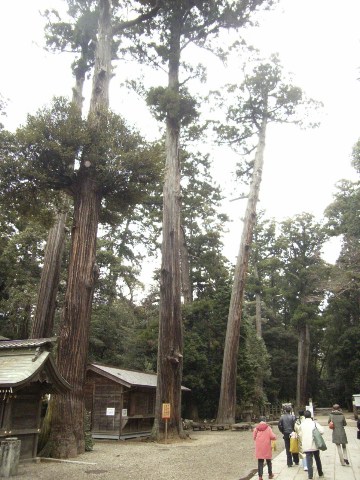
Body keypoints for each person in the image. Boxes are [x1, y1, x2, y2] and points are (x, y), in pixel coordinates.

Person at [298, 410, 324, 479]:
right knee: (317, 459)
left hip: (306, 445)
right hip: (315, 444)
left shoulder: (302, 424)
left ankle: (310, 475)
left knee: (308, 460)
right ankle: (320, 473)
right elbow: (322, 431)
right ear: (310, 415)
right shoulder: (314, 423)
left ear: (304, 416)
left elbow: (300, 434)